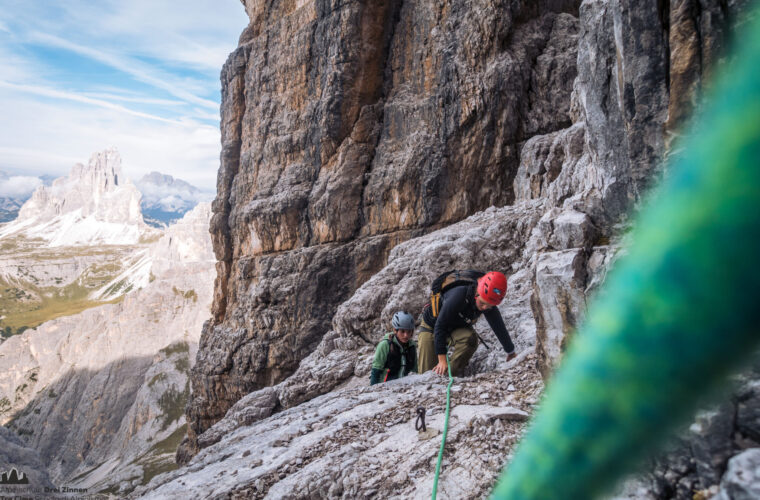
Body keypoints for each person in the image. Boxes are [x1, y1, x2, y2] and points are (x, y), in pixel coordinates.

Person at [418, 271, 517, 377]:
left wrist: (510, 352)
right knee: (425, 374)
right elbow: (440, 325)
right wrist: (442, 360)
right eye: (482, 303)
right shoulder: (458, 295)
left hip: (454, 327)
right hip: (432, 327)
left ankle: (449, 375)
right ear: (477, 293)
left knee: (470, 339)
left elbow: (498, 326)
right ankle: (438, 375)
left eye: (489, 306)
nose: (484, 308)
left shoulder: (488, 302)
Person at [369, 311, 418, 385]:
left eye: (409, 332)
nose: (406, 335)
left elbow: (414, 370)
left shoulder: (412, 346)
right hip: (385, 387)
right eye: (402, 331)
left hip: (406, 386)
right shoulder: (385, 345)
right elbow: (376, 371)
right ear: (395, 330)